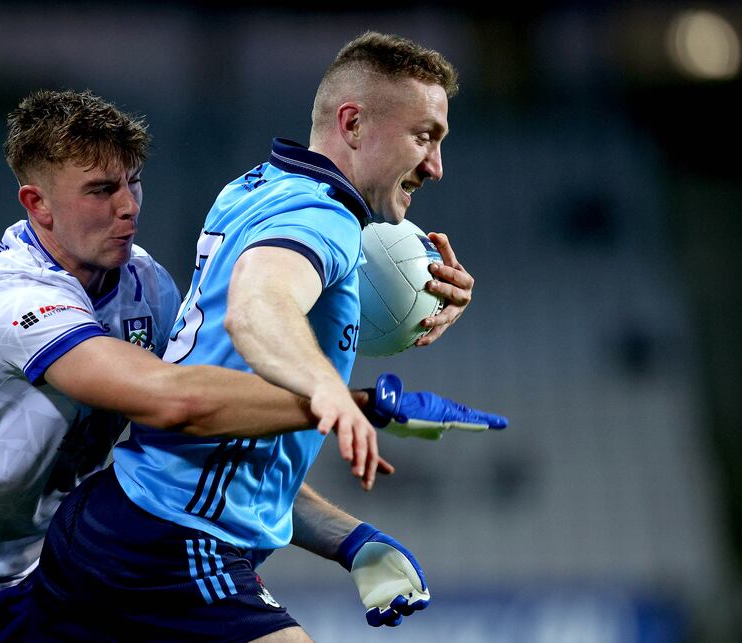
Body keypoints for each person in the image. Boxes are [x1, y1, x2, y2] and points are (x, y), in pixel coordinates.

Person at [0, 88, 392, 642]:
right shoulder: (12, 294)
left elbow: (204, 445)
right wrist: (341, 401)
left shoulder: (148, 290)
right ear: (37, 204)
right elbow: (176, 401)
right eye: (101, 190)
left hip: (19, 590)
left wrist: (350, 540)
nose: (128, 207)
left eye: (134, 182)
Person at [27, 31, 507, 642]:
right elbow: (258, 308)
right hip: (168, 545)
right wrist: (329, 393)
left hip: (128, 521)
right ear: (353, 123)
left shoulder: (259, 186)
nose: (436, 166)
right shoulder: (323, 218)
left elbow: (234, 446)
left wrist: (352, 541)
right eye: (424, 137)